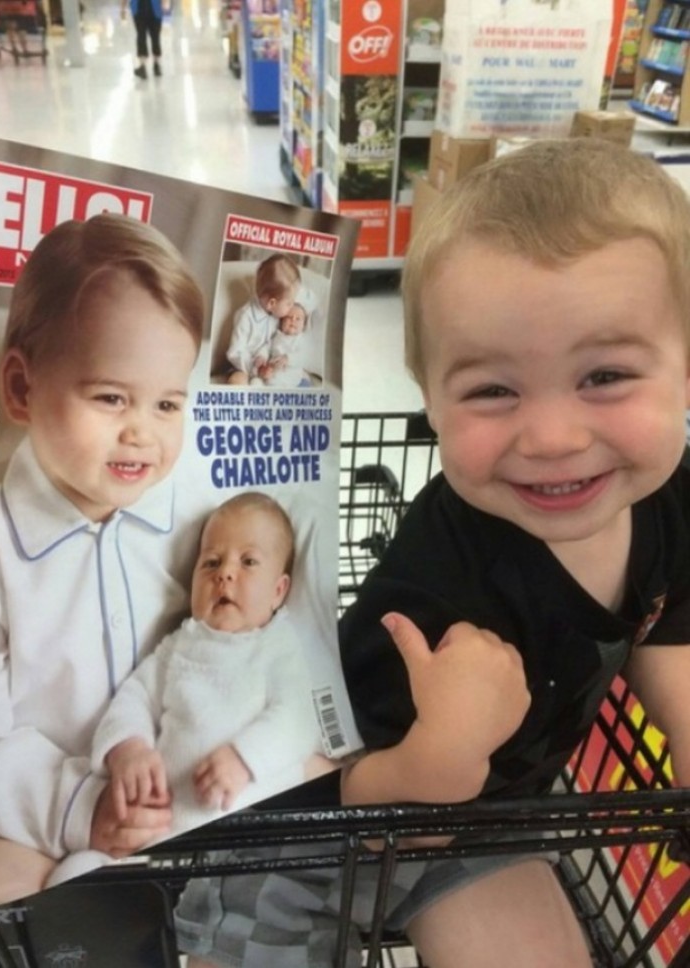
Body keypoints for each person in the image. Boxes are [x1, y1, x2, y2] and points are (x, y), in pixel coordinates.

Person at [175, 138, 690, 968]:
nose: (554, 437)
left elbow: (669, 632)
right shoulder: (439, 577)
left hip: (485, 819)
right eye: (492, 389)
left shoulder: (670, 500)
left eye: (606, 376)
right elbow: (331, 779)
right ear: (429, 398)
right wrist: (440, 755)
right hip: (314, 828)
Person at [0, 213, 205, 914]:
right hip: (36, 820)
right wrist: (82, 807)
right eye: (109, 397)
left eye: (167, 404)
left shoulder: (195, 521)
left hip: (180, 798)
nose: (142, 432)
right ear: (21, 388)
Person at [46, 492, 322, 886]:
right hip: (164, 834)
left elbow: (297, 719)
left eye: (248, 562)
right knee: (72, 873)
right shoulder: (179, 645)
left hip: (247, 837)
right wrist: (129, 749)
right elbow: (135, 696)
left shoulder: (277, 647)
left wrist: (245, 759)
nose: (224, 573)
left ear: (279, 591)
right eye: (211, 562)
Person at [225, 253, 300, 385]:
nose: (292, 306)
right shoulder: (246, 316)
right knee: (238, 380)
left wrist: (262, 357)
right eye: (289, 303)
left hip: (264, 365)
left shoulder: (275, 316)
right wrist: (254, 367)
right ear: (272, 303)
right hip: (241, 365)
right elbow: (235, 352)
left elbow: (268, 342)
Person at [250, 302, 312, 388]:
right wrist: (261, 357)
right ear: (281, 321)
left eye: (298, 319)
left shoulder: (301, 340)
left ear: (303, 325)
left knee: (304, 386)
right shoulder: (276, 337)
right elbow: (266, 347)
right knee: (255, 382)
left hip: (292, 378)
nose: (293, 320)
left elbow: (304, 356)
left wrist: (288, 358)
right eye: (289, 317)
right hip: (272, 375)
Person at [121, 0, 167, 79]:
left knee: (141, 35)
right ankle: (156, 66)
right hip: (155, 7)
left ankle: (143, 67)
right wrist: (164, 4)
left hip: (139, 8)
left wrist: (123, 9)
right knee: (155, 36)